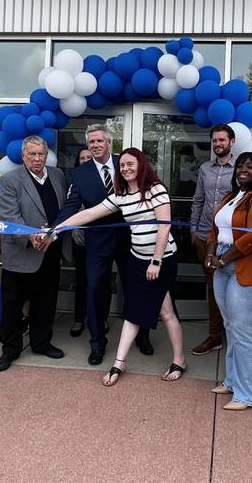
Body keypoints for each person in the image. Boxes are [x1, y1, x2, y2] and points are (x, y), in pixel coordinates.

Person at [52, 147, 186, 386]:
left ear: (141, 165)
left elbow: (164, 228)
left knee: (165, 312)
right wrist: (58, 227)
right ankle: (119, 362)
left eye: (130, 164)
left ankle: (179, 360)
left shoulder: (156, 190)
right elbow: (89, 214)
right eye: (122, 165)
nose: (125, 169)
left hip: (162, 260)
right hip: (137, 258)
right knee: (132, 311)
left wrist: (155, 261)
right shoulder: (120, 195)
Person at [55, 124, 151, 365]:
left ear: (109, 143)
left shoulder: (125, 163)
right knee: (95, 289)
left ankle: (143, 337)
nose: (95, 145)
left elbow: (146, 190)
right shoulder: (80, 174)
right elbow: (70, 206)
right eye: (91, 142)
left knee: (136, 288)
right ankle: (97, 343)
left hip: (131, 239)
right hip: (96, 242)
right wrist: (54, 227)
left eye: (99, 141)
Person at [206, 152, 252, 410]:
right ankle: (233, 381)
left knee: (246, 331)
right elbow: (215, 229)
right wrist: (211, 254)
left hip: (249, 267)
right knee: (231, 326)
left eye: (250, 166)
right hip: (223, 265)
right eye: (240, 166)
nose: (243, 170)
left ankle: (249, 394)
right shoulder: (230, 197)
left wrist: (225, 259)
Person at [0, 135, 68, 372]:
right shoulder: (10, 180)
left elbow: (64, 209)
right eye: (32, 154)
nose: (37, 159)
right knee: (12, 304)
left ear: (47, 155)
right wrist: (30, 237)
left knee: (46, 301)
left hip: (51, 252)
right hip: (22, 253)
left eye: (41, 154)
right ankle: (10, 349)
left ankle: (41, 343)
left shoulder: (57, 176)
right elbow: (9, 216)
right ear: (23, 156)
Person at [189, 124, 235, 356]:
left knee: (233, 288)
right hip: (205, 236)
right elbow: (198, 200)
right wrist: (193, 229)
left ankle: (234, 334)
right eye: (215, 140)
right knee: (213, 288)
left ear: (231, 142)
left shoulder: (241, 168)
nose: (218, 144)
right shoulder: (205, 168)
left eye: (222, 140)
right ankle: (215, 336)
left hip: (230, 239)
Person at [68, 147, 93, 337]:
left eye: (89, 157)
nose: (85, 160)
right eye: (82, 158)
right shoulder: (74, 179)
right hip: (79, 238)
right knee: (81, 280)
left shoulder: (104, 177)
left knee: (99, 282)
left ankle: (99, 318)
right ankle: (79, 318)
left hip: (101, 238)